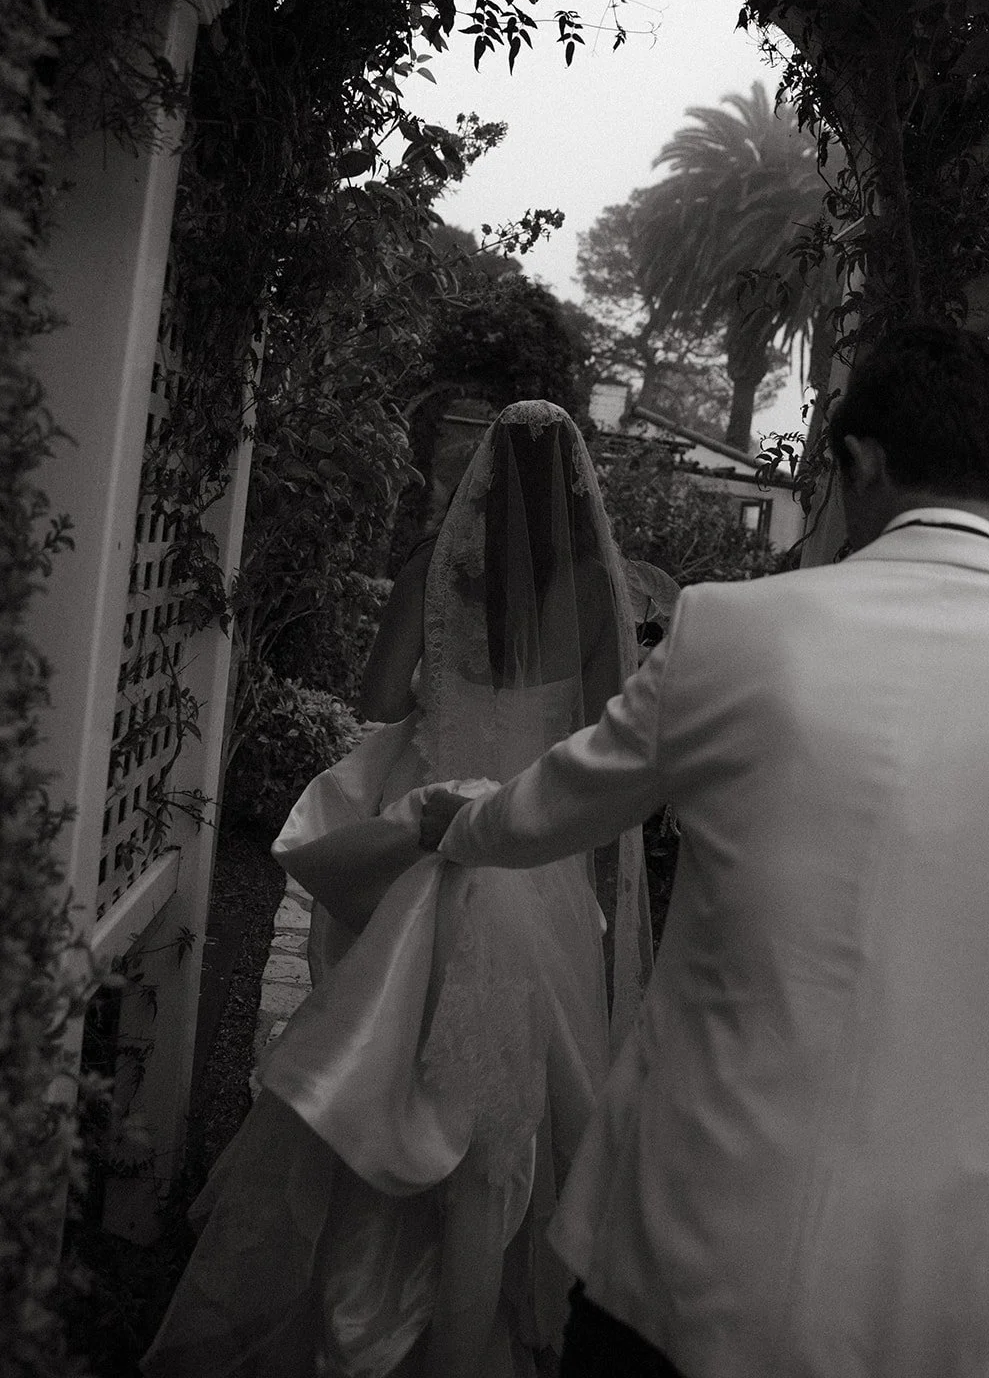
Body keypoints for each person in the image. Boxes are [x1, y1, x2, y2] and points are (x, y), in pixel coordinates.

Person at [421, 326, 989, 1378]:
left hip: (685, 1259)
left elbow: (548, 808)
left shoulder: (734, 633)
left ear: (851, 461)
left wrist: (450, 817)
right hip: (961, 1306)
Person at [141, 399, 652, 1378]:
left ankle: (355, 1301)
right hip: (525, 856)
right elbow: (595, 736)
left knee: (379, 1071)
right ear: (576, 485)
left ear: (483, 478)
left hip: (417, 843)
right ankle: (466, 1325)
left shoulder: (434, 565)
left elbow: (376, 699)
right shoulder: (595, 589)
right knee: (503, 1113)